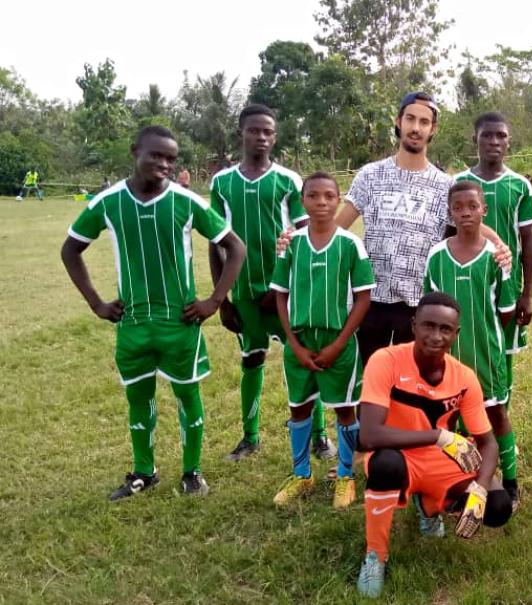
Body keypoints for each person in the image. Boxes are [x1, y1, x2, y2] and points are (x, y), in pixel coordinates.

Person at [60, 125, 246, 500]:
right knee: (138, 399)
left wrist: (214, 301)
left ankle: (192, 471)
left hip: (180, 323)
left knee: (187, 396)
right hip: (133, 324)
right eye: (156, 155)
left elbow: (235, 247)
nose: (163, 163)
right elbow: (70, 250)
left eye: (170, 159)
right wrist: (97, 303)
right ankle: (143, 471)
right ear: (135, 152)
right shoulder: (108, 202)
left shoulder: (185, 201)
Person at [304, 92, 510, 380]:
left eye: (424, 122)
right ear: (399, 122)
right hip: (370, 301)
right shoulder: (370, 175)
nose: (416, 127)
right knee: (369, 383)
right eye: (410, 119)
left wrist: (500, 246)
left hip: (418, 306)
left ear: (432, 129)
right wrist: (298, 240)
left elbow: (471, 223)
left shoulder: (444, 186)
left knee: (410, 386)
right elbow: (336, 229)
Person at [355, 292, 513, 598]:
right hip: (397, 453)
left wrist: (480, 490)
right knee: (385, 466)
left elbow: (488, 443)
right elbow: (370, 436)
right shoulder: (385, 361)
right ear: (413, 325)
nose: (435, 336)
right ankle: (375, 555)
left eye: (445, 329)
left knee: (498, 506)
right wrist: (438, 436)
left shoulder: (464, 377)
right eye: (428, 326)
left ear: (457, 334)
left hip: (442, 461)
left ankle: (429, 507)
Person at [208, 104, 335, 463]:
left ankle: (320, 436)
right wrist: (222, 299)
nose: (261, 137)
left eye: (267, 132)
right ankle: (249, 437)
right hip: (245, 292)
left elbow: (302, 235)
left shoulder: (288, 181)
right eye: (254, 131)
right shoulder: (222, 182)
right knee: (252, 358)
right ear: (241, 133)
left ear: (274, 137)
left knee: (306, 358)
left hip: (286, 293)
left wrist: (284, 286)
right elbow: (215, 242)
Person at [269, 172, 375, 510]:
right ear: (303, 201)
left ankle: (345, 476)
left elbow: (363, 298)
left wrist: (339, 343)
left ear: (338, 199)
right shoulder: (292, 244)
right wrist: (294, 344)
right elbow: (281, 297)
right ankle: (302, 475)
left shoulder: (349, 244)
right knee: (298, 407)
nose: (322, 203)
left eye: (329, 196)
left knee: (345, 409)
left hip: (338, 342)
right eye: (313, 196)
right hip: (299, 342)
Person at [453, 113, 532, 507]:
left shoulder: (520, 184)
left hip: (505, 292)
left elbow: (528, 240)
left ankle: (498, 446)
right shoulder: (460, 185)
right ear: (476, 139)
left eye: (501, 136)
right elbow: (450, 234)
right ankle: (472, 447)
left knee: (499, 378)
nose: (494, 142)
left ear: (509, 141)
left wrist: (528, 293)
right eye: (487, 135)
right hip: (470, 293)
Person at [424, 181, 520, 508]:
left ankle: (510, 481)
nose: (465, 212)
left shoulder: (496, 257)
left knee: (496, 415)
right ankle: (456, 482)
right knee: (448, 421)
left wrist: (485, 332)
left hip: (486, 355)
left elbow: (505, 311)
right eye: (458, 207)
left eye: (472, 206)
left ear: (484, 210)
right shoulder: (437, 256)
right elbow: (429, 308)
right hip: (447, 360)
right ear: (450, 212)